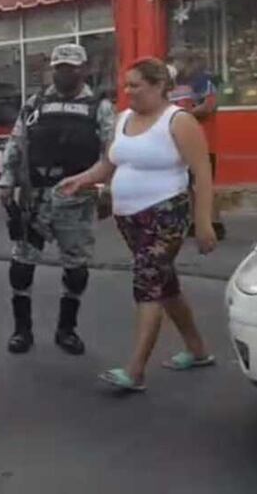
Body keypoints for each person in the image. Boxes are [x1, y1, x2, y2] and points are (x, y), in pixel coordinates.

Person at [60, 58, 216, 392]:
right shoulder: (124, 119)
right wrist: (81, 180)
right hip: (129, 218)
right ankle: (198, 349)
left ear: (159, 86)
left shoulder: (179, 121)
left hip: (166, 213)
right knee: (164, 283)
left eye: (135, 85)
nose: (127, 91)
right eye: (126, 84)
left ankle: (135, 371)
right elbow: (109, 163)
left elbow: (202, 173)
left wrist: (203, 223)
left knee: (147, 283)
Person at [0, 43, 115, 356]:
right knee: (21, 265)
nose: (66, 72)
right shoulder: (35, 103)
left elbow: (111, 152)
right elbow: (16, 142)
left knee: (76, 270)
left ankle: (67, 330)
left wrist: (108, 189)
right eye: (60, 66)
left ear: (84, 69)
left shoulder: (99, 107)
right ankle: (22, 331)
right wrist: (6, 181)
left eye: (72, 67)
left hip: (77, 201)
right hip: (34, 198)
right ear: (53, 69)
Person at [168, 50, 225, 240]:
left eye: (177, 60)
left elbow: (209, 106)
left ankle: (214, 222)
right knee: (189, 184)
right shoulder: (176, 85)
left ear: (188, 61)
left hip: (205, 142)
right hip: (184, 143)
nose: (175, 65)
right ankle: (195, 221)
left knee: (204, 183)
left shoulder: (203, 81)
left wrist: (182, 117)